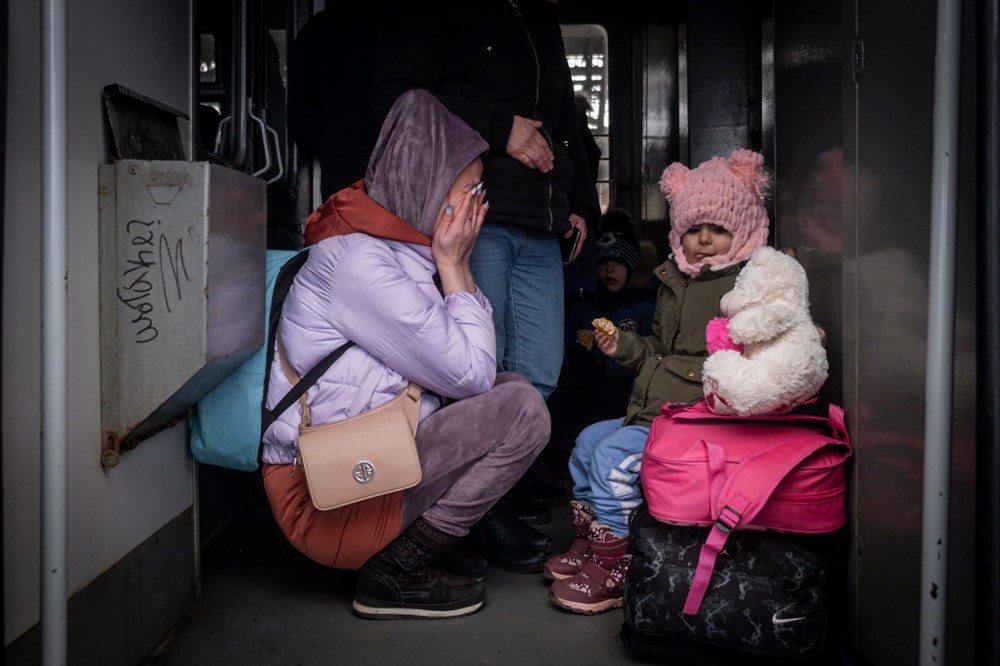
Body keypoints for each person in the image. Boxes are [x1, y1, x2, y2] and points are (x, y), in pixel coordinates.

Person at [260, 90, 551, 620]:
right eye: (467, 191)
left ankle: (416, 541)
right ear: (426, 187)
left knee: (513, 390)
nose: (476, 208)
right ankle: (396, 569)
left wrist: (446, 265)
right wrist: (456, 268)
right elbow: (468, 374)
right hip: (322, 495)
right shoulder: (361, 264)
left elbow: (474, 371)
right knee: (522, 410)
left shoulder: (390, 245)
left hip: (357, 466)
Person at [543, 149, 771, 615]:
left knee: (610, 456)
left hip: (693, 417)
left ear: (743, 232)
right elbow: (661, 352)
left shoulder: (744, 288)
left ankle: (618, 560)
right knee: (587, 442)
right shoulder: (673, 281)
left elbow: (733, 364)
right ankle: (593, 541)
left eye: (718, 231)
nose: (703, 240)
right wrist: (623, 348)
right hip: (657, 407)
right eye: (693, 230)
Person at [371, 0, 602, 401]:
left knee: (540, 377)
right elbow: (400, 98)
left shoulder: (540, 15)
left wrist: (582, 203)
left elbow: (567, 117)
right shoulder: (434, 11)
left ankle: (516, 462)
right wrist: (500, 127)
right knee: (476, 374)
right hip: (475, 218)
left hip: (544, 224)